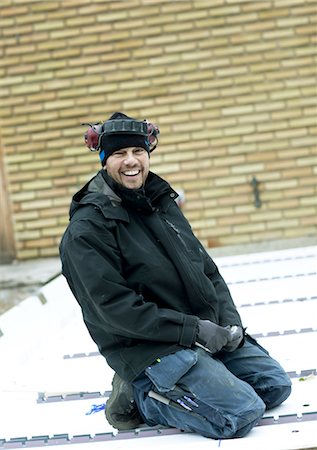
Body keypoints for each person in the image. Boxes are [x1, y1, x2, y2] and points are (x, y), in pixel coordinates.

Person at [59, 112, 291, 439]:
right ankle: (141, 398)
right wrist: (193, 330)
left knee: (274, 387)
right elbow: (114, 310)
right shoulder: (87, 230)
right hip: (150, 348)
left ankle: (202, 376)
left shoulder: (160, 204)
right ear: (103, 160)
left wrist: (228, 322)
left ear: (148, 154)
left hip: (197, 334)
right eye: (118, 154)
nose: (131, 161)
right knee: (240, 413)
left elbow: (206, 269)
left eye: (138, 151)